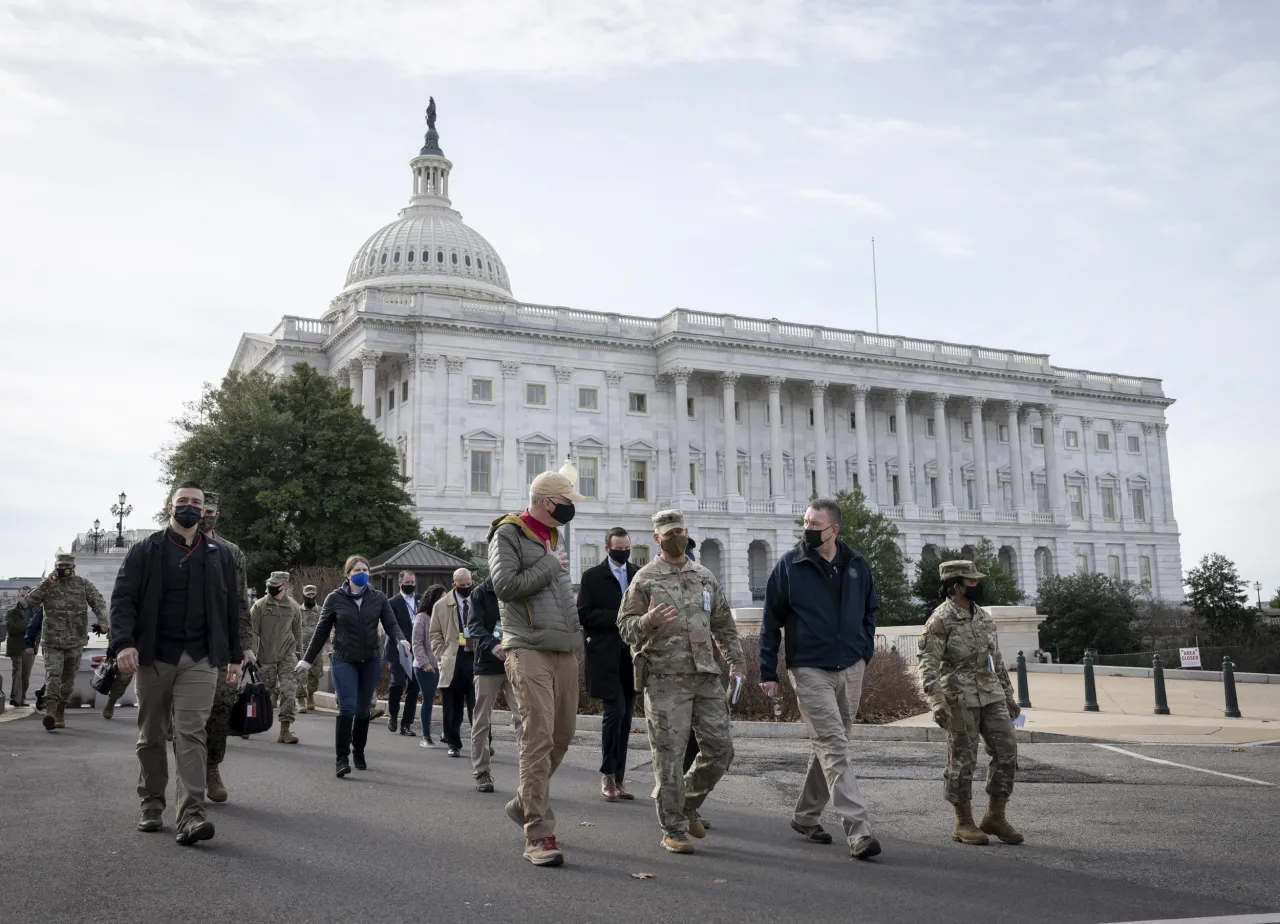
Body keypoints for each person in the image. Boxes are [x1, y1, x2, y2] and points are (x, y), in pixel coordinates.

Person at [110, 481, 243, 845]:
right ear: (170, 507)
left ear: (204, 510)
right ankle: (152, 803)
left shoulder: (219, 554)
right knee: (151, 734)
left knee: (191, 733)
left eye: (195, 502)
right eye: (182, 501)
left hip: (200, 658)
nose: (188, 506)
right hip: (154, 656)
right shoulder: (146, 550)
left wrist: (235, 654)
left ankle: (191, 814)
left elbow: (231, 609)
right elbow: (122, 600)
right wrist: (123, 644)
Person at [759, 498, 882, 862]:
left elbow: (870, 610)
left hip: (850, 666)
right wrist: (768, 671)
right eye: (805, 523)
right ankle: (858, 830)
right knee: (834, 745)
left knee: (833, 745)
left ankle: (805, 815)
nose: (807, 530)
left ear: (834, 530)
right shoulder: (789, 566)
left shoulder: (857, 564)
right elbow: (770, 622)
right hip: (809, 668)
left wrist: (864, 652)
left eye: (815, 525)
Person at [618, 509, 744, 855]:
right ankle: (672, 827)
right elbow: (625, 628)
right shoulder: (645, 579)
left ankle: (687, 802)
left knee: (721, 750)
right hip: (664, 679)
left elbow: (724, 627)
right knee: (669, 756)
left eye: (680, 532)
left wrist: (737, 665)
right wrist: (648, 620)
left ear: (687, 533)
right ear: (657, 538)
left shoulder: (704, 576)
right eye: (668, 533)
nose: (676, 538)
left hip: (705, 677)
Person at [486, 470, 584, 868]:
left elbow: (558, 592)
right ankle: (539, 834)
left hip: (562, 648)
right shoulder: (508, 534)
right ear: (548, 502)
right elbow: (504, 585)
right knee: (538, 736)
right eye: (566, 500)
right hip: (526, 647)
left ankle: (525, 801)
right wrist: (547, 564)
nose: (570, 506)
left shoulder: (553, 536)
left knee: (562, 735)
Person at [917, 560, 1023, 847]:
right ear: (956, 586)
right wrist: (936, 701)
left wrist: (1009, 696)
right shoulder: (940, 620)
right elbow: (928, 664)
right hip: (959, 698)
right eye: (972, 581)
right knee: (963, 760)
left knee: (1007, 751)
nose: (977, 585)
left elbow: (996, 660)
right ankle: (963, 822)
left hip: (991, 695)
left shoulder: (984, 617)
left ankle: (995, 816)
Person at [296, 555, 408, 778]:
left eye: (365, 569)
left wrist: (401, 639)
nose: (362, 573)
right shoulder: (334, 598)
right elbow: (321, 632)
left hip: (370, 660)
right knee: (347, 707)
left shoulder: (378, 598)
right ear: (347, 574)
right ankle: (341, 758)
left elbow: (391, 623)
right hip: (343, 659)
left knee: (363, 709)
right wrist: (307, 660)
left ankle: (358, 751)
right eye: (357, 569)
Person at [198, 492, 255, 803]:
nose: (205, 514)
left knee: (220, 710)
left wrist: (245, 646)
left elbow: (240, 604)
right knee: (188, 715)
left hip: (221, 646)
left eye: (210, 509)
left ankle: (211, 768)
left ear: (217, 514)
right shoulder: (174, 548)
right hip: (185, 646)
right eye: (200, 508)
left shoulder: (232, 553)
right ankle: (189, 774)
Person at [577, 527, 639, 802]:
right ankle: (607, 775)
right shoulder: (592, 577)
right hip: (605, 655)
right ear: (607, 548)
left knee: (627, 718)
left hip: (633, 657)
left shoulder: (638, 574)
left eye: (627, 548)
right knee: (614, 713)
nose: (623, 552)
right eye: (618, 548)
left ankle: (620, 779)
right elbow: (585, 615)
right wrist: (621, 616)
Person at [26, 550, 109, 731]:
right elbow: (29, 601)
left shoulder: (83, 584)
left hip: (75, 640)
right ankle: (50, 711)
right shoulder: (47, 585)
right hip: (52, 641)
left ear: (73, 567)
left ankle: (60, 711)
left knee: (68, 680)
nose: (63, 570)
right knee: (53, 675)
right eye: (60, 567)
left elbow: (98, 601)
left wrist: (103, 620)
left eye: (66, 567)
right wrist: (46, 583)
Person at [466, 576, 523, 793]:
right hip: (487, 664)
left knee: (523, 718)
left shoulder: (520, 587)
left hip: (516, 661)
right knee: (482, 719)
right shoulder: (481, 592)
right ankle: (481, 771)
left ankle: (529, 774)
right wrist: (491, 644)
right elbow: (474, 625)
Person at [250, 571, 303, 745]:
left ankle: (285, 730)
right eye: (269, 586)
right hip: (265, 655)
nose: (271, 589)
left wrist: (300, 655)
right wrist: (251, 653)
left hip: (287, 654)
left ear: (284, 587)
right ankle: (249, 723)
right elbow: (252, 632)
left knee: (288, 690)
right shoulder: (260, 606)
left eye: (275, 586)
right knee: (261, 693)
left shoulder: (293, 607)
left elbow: (298, 631)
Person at [429, 568, 476, 758]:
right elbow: (434, 634)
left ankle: (483, 743)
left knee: (479, 706)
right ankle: (453, 743)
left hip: (476, 658)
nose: (466, 588)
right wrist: (443, 654)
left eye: (468, 584)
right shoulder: (441, 605)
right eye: (462, 585)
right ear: (454, 585)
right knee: (452, 707)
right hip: (453, 660)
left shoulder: (479, 600)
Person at [385, 570, 421, 736]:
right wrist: (402, 641)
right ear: (400, 583)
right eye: (407, 583)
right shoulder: (392, 602)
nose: (411, 586)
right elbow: (391, 626)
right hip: (398, 649)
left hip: (417, 649)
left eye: (413, 583)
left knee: (414, 687)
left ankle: (406, 724)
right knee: (398, 683)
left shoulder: (420, 600)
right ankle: (393, 715)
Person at [412, 584, 445, 747]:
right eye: (440, 598)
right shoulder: (422, 617)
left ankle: (446, 733)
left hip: (443, 665)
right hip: (425, 667)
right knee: (428, 699)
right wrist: (424, 663)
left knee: (449, 699)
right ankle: (426, 736)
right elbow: (417, 643)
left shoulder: (447, 617)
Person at [5, 586, 39, 707]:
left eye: (26, 596)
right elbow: (11, 628)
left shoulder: (36, 612)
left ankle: (22, 698)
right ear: (18, 596)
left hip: (29, 647)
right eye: (22, 595)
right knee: (17, 672)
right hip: (16, 647)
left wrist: (35, 644)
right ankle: (15, 698)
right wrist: (29, 623)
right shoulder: (11, 612)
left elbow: (39, 630)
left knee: (25, 674)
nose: (24, 598)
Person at [296, 584, 324, 713]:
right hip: (301, 649)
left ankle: (310, 695)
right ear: (304, 595)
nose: (311, 597)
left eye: (313, 594)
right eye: (308, 595)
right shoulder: (298, 611)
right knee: (301, 675)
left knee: (315, 675)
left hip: (316, 650)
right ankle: (301, 700)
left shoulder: (322, 611)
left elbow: (327, 628)